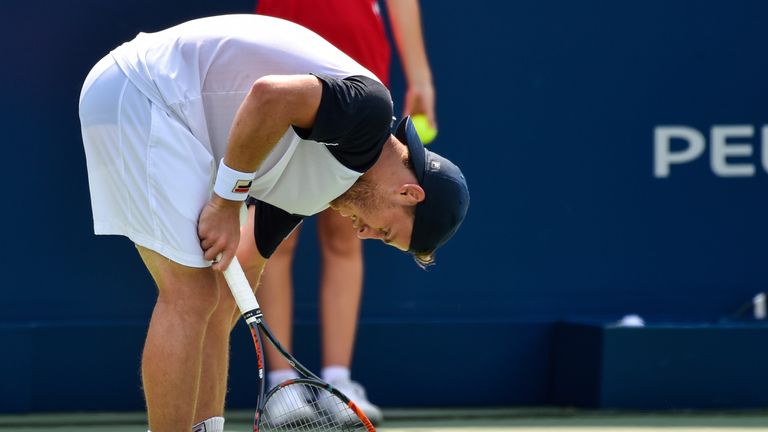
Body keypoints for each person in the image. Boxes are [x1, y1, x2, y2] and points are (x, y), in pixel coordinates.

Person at [78, 14, 468, 432]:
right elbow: (269, 97)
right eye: (384, 231)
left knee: (210, 300)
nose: (362, 234)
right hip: (143, 91)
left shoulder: (315, 189)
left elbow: (231, 292)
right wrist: (227, 202)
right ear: (409, 194)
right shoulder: (369, 110)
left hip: (159, 108)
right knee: (189, 295)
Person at [249, 0, 437, 423]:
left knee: (348, 230)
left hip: (357, 50)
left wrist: (420, 72)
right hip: (284, 38)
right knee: (276, 237)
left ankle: (338, 381)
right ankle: (281, 384)